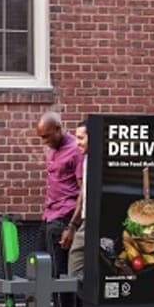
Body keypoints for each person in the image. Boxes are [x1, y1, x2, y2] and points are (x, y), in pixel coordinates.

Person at [36, 111, 83, 307]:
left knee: (61, 276)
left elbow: (83, 190)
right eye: (41, 137)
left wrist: (72, 226)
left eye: (47, 136)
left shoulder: (75, 150)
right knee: (44, 273)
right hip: (48, 216)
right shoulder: (51, 149)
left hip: (64, 218)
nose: (44, 141)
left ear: (58, 128)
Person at [64, 122, 88, 285]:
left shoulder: (95, 161)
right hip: (84, 220)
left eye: (81, 138)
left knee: (75, 269)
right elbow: (83, 193)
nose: (77, 143)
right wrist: (73, 225)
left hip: (92, 222)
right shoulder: (86, 159)